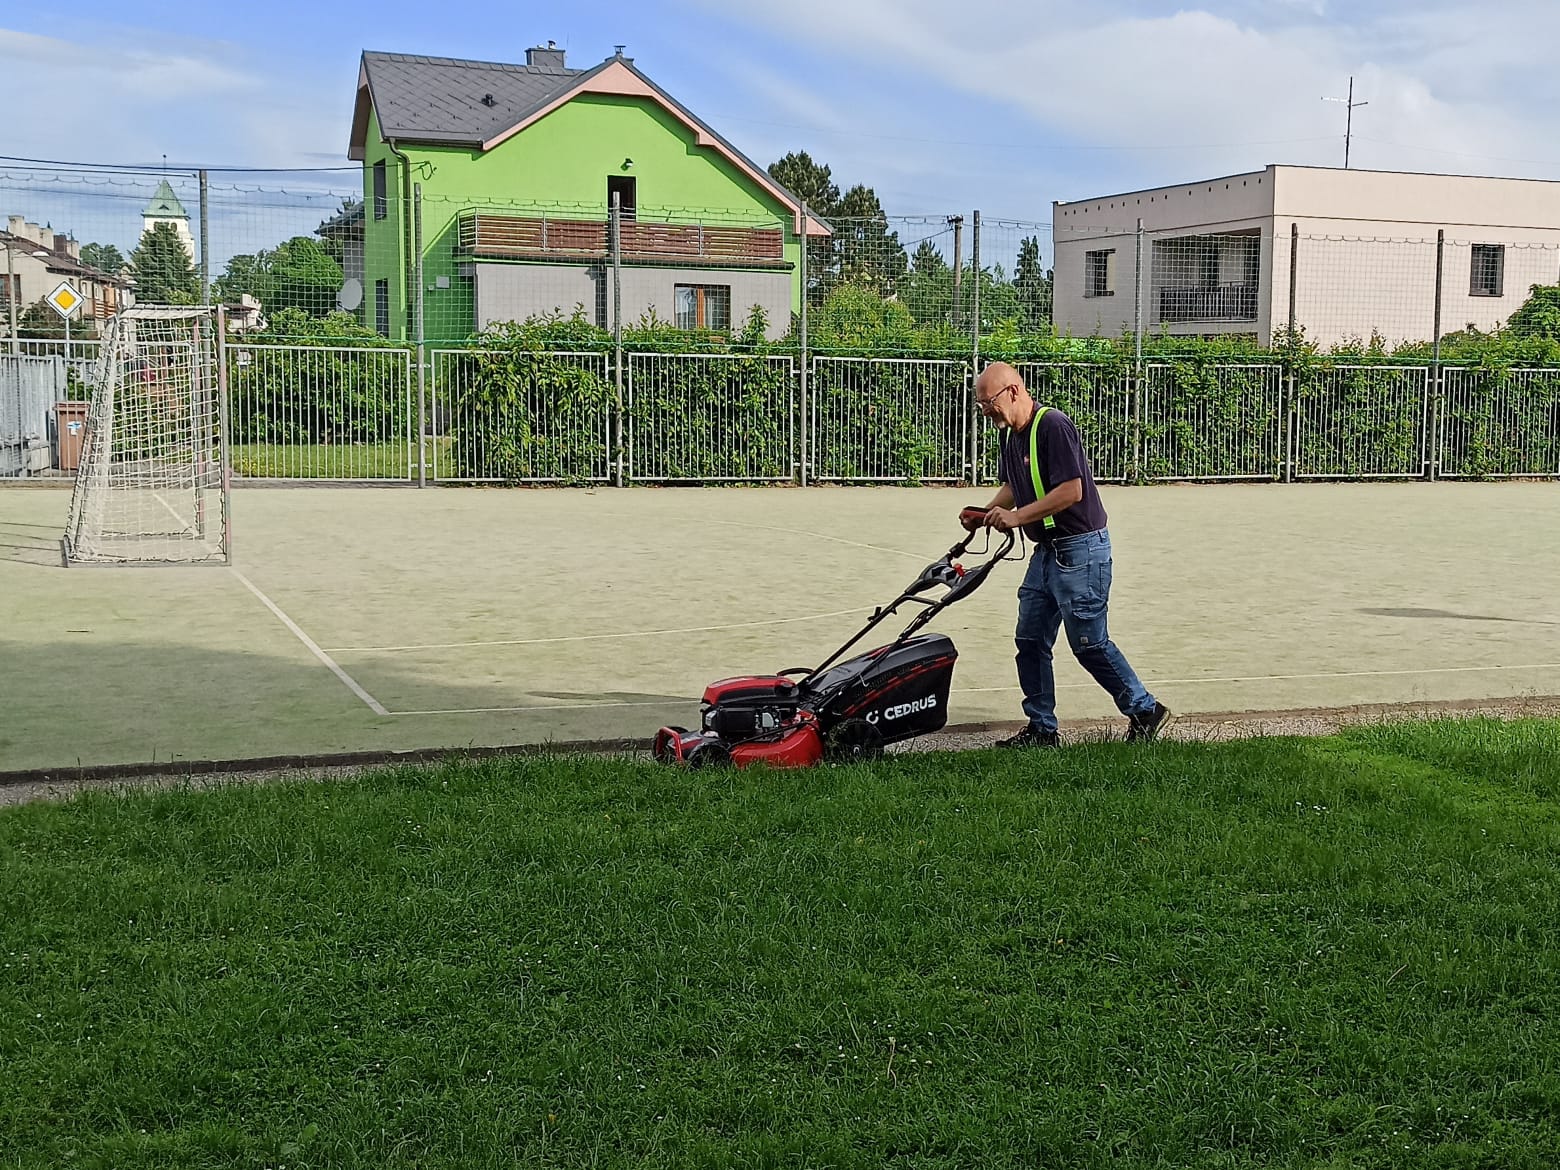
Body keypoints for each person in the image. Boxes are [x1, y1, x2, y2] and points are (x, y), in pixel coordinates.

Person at [961, 361, 1172, 747]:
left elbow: (1071, 491)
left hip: (1081, 551)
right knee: (1029, 641)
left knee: (1089, 643)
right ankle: (1042, 729)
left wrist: (1017, 517)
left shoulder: (1053, 425)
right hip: (1047, 553)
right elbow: (1014, 483)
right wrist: (986, 513)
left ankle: (1144, 708)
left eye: (988, 402)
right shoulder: (1012, 436)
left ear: (1013, 390)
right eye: (980, 405)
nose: (985, 411)